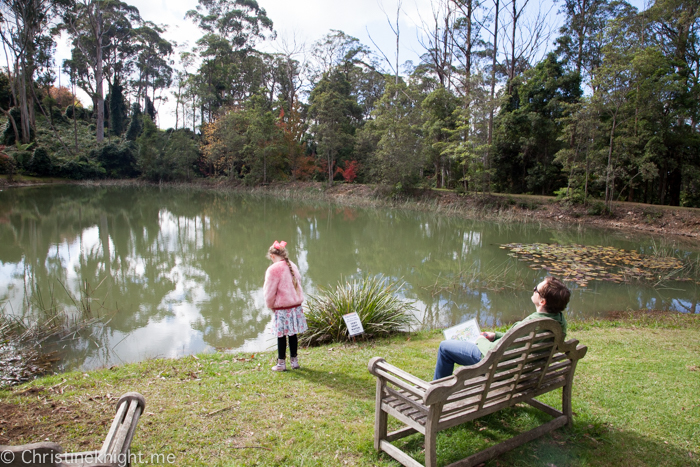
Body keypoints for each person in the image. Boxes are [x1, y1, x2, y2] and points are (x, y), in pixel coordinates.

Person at [433, 276, 571, 380]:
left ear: (542, 301)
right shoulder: (558, 322)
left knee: (445, 347)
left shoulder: (531, 324)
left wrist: (480, 340)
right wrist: (496, 335)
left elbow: (492, 352)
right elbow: (516, 339)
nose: (533, 290)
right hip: (523, 369)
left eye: (536, 289)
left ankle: (435, 394)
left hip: (499, 367)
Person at [264, 240, 308, 371]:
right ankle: (294, 361)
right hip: (295, 307)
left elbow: (269, 292)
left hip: (283, 309)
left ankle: (281, 363)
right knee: (293, 334)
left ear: (272, 256)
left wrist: (271, 305)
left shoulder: (273, 269)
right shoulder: (292, 265)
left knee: (281, 335)